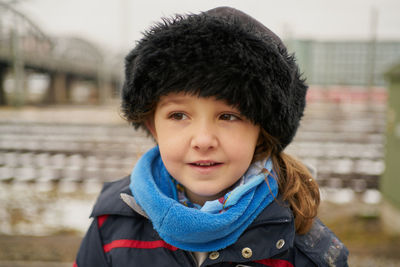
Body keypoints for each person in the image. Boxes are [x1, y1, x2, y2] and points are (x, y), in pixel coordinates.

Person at [74, 6, 348, 267]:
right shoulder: (111, 228)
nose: (203, 140)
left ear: (262, 133)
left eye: (228, 116)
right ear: (153, 125)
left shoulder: (303, 248)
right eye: (179, 115)